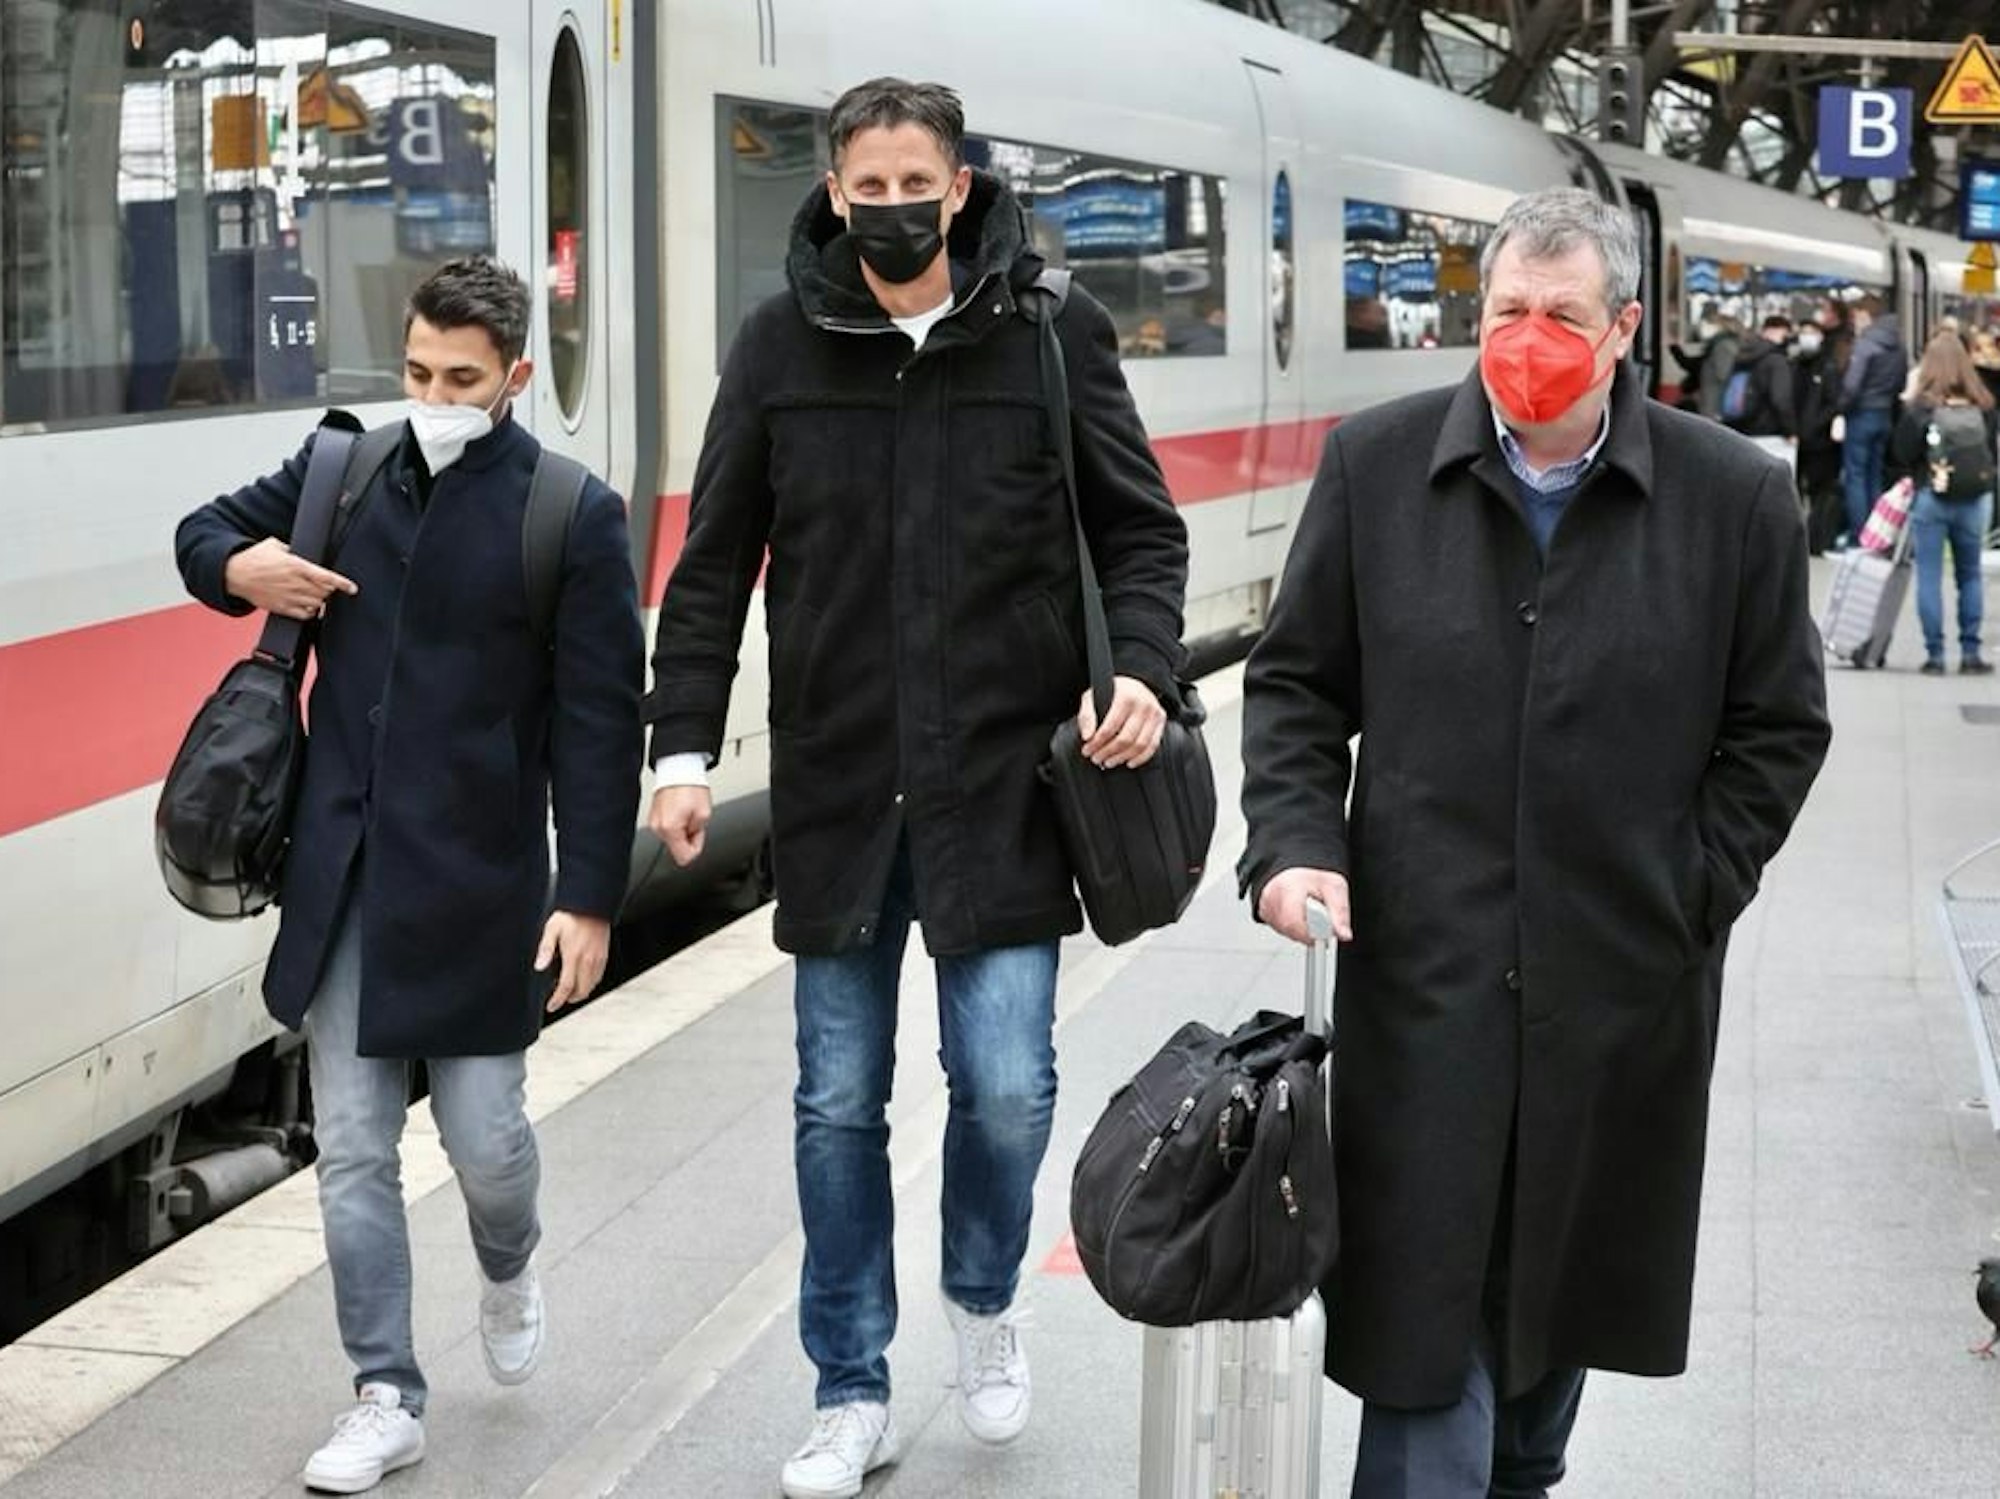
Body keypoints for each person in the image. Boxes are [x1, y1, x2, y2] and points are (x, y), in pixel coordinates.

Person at [1238, 186, 1830, 1499]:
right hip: (1424, 977)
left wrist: (1686, 891)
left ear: (1623, 328)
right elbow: (1295, 686)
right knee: (1423, 1333)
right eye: (1508, 309)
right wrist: (1290, 841)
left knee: (1546, 1325)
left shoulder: (1731, 499)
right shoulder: (1378, 466)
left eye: (1563, 315)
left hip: (1618, 985)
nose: (1529, 336)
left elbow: (1778, 725)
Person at [641, 77, 1187, 1499]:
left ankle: (983, 1296)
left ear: (958, 187)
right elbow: (712, 569)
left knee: (1005, 1086)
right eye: (863, 186)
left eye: (913, 184)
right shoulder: (777, 347)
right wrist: (681, 750)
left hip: (1002, 784)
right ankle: (850, 1383)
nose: (888, 208)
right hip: (837, 788)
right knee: (837, 1101)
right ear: (833, 189)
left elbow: (1139, 530)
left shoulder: (1050, 333)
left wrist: (1138, 666)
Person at [174, 257, 643, 1494]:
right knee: (357, 1150)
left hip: (486, 882)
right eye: (419, 372)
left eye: (463, 380)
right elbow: (201, 533)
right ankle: (384, 1389)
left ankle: (508, 1260)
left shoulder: (569, 513)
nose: (434, 394)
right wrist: (245, 572)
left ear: (516, 379)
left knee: (487, 1139)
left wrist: (587, 894)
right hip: (345, 876)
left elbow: (602, 721)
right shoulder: (345, 470)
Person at [1885, 330, 1996, 675]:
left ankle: (1935, 655)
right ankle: (1970, 653)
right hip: (1976, 499)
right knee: (1970, 575)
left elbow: (1900, 453)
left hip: (1931, 497)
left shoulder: (1920, 408)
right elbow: (1990, 453)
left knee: (1929, 576)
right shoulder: (1983, 403)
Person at [1838, 292, 1907, 548]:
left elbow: (1852, 385)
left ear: (1866, 315)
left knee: (1855, 475)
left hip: (1861, 414)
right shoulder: (1898, 344)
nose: (1855, 322)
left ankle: (1860, 536)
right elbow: (1900, 381)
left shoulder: (1866, 343)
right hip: (1884, 414)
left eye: (1856, 317)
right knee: (1874, 475)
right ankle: (1879, 534)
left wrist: (1841, 408)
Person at [1793, 312, 1846, 554]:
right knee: (1797, 490)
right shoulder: (1794, 363)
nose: (1806, 338)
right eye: (1803, 332)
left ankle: (1817, 539)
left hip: (1821, 442)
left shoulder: (1828, 367)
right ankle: (1802, 537)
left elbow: (1834, 402)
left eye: (1811, 333)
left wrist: (1812, 425)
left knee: (1820, 492)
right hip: (1798, 440)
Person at [1721, 313, 1798, 466]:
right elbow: (1780, 399)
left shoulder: (1744, 354)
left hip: (1740, 426)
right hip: (1769, 431)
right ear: (1779, 331)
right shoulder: (1776, 360)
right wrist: (1791, 430)